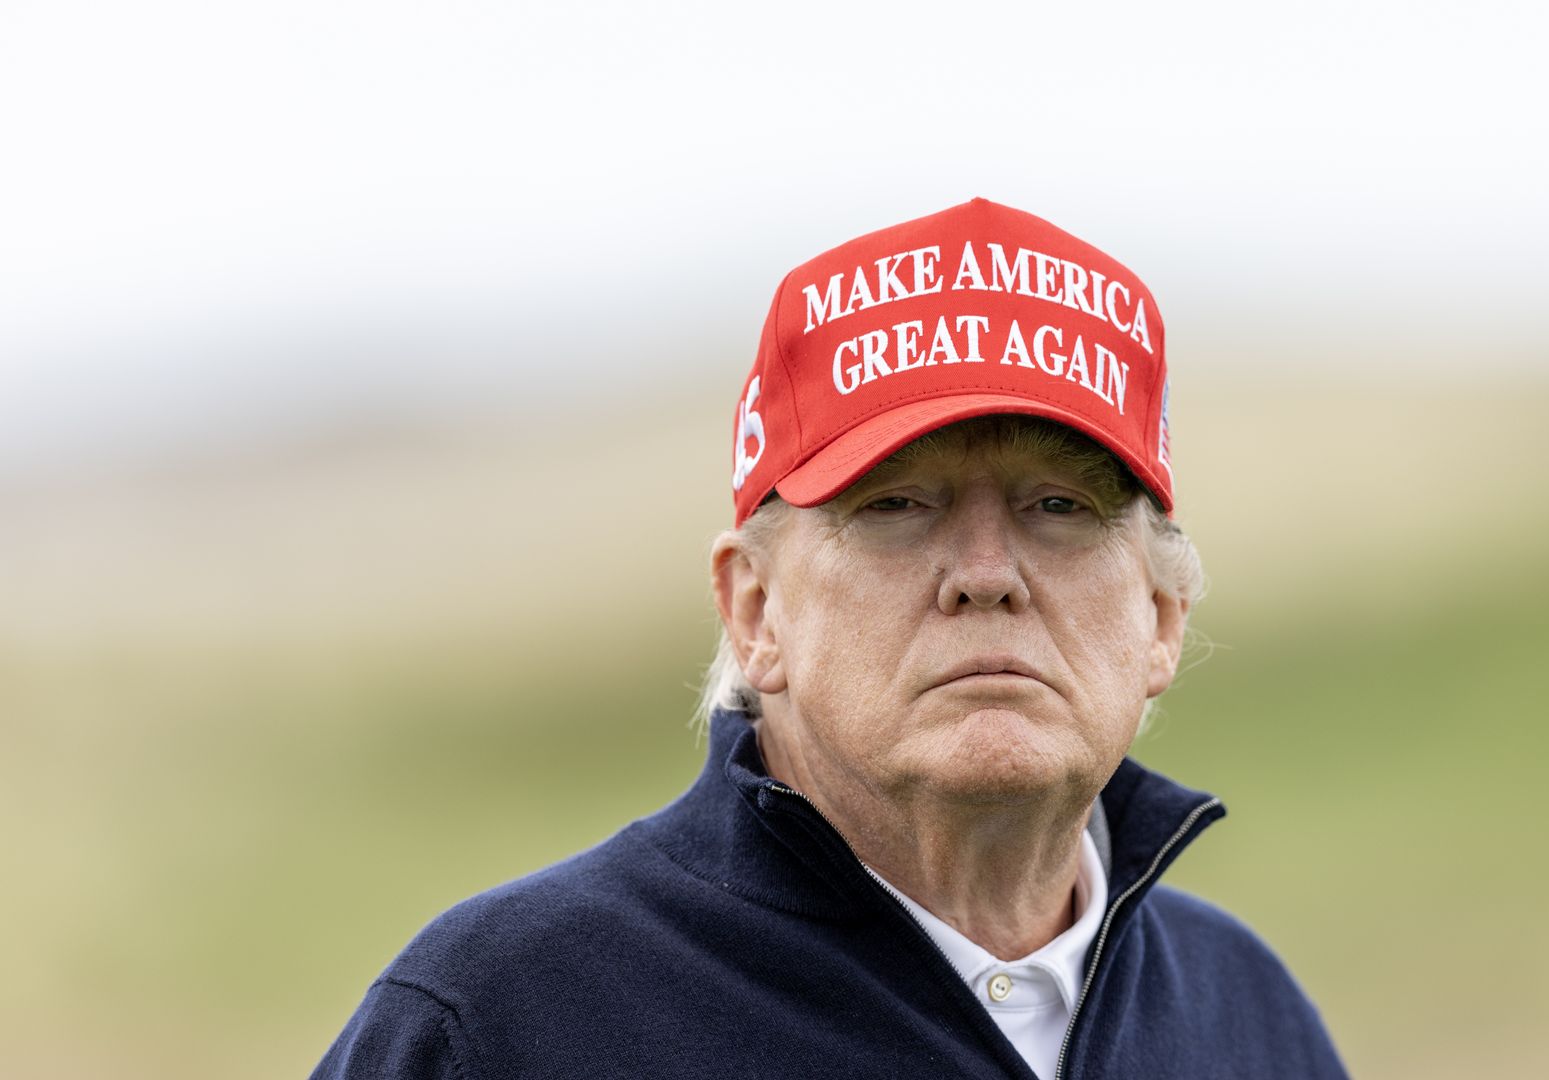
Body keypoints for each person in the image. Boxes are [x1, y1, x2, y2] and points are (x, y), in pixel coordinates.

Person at [312, 198, 1348, 1079]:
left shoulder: (1245, 1018)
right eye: (897, 505)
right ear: (755, 608)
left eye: (1060, 506)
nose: (986, 576)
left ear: (1161, 618)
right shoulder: (506, 1023)